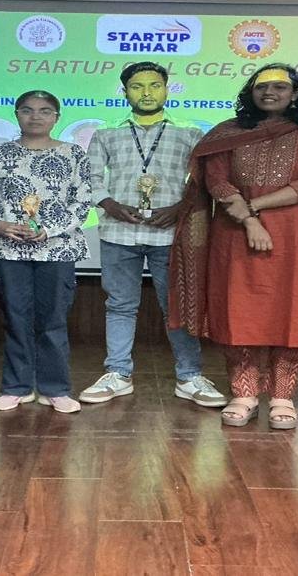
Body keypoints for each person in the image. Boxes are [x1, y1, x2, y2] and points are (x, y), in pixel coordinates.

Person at [170, 63, 298, 429]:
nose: (270, 92)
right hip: (235, 234)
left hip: (297, 236)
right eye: (261, 86)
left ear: (295, 94)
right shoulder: (228, 133)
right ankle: (244, 393)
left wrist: (255, 206)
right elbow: (217, 181)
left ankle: (282, 396)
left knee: (293, 310)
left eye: (280, 87)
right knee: (238, 310)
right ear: (250, 93)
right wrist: (249, 220)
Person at [79, 62, 226, 408]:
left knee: (176, 305)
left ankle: (189, 376)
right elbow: (90, 178)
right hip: (118, 232)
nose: (146, 93)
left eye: (154, 85)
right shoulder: (106, 134)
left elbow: (202, 183)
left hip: (171, 234)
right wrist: (109, 203)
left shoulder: (189, 134)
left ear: (166, 89)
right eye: (137, 86)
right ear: (124, 92)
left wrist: (180, 208)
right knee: (120, 305)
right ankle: (118, 373)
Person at [0, 90, 92, 414]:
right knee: (16, 318)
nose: (35, 116)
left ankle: (55, 389)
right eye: (27, 110)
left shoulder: (74, 154)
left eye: (44, 110)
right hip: (9, 250)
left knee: (53, 320)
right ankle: (17, 387)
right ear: (16, 114)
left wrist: (48, 229)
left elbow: (83, 202)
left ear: (56, 117)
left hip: (58, 249)